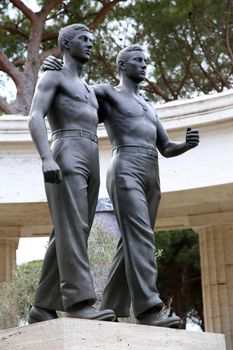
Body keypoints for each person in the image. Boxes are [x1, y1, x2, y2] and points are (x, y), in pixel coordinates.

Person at [44, 44, 199, 327]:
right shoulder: (106, 92)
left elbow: (165, 146)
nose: (144, 65)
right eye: (137, 60)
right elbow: (75, 94)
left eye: (145, 61)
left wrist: (185, 145)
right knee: (141, 238)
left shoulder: (148, 106)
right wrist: (51, 68)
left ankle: (114, 305)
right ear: (122, 65)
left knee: (134, 242)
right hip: (125, 165)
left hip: (152, 169)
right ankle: (149, 310)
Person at [28, 23, 116, 324]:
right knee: (73, 227)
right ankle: (78, 302)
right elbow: (34, 116)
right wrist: (45, 157)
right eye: (83, 39)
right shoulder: (53, 76)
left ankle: (42, 305)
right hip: (65, 149)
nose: (90, 44)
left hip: (91, 152)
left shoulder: (92, 91)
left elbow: (121, 104)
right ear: (66, 44)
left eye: (92, 39)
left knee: (74, 228)